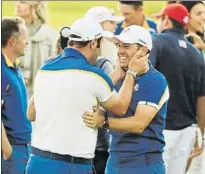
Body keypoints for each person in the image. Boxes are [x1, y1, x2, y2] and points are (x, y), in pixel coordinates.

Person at [25, 17, 149, 174]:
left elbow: (31, 113)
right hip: (71, 166)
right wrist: (132, 71)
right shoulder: (94, 75)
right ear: (93, 43)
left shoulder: (45, 69)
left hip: (37, 162)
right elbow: (120, 107)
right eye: (101, 42)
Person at [83, 25, 169, 174]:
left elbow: (138, 124)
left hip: (144, 165)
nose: (120, 51)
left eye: (126, 46)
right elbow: (93, 107)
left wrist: (103, 122)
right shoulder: (120, 78)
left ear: (143, 51)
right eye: (118, 46)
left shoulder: (155, 80)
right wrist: (116, 74)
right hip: (114, 162)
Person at [150, 4, 205, 174]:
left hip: (160, 130)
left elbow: (145, 76)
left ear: (166, 20)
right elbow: (202, 98)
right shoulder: (196, 53)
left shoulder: (156, 41)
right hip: (187, 132)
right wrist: (201, 134)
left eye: (160, 18)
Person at [1, 16, 32, 174]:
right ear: (13, 41)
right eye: (24, 36)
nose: (27, 41)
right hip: (12, 151)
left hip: (23, 148)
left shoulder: (14, 66)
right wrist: (7, 151)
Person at [15, 1, 58, 98]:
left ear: (35, 5)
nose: (17, 4)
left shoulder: (50, 35)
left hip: (43, 93)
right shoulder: (10, 33)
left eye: (22, 2)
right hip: (17, 93)